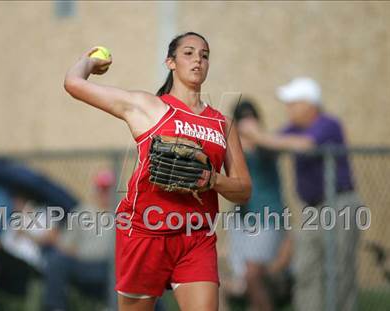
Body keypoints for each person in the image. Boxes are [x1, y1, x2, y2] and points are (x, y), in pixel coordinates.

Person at [64, 32, 252, 311]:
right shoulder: (149, 107)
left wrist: (213, 179)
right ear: (171, 62)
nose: (198, 60)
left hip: (195, 236)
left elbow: (244, 190)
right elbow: (73, 84)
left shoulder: (222, 124)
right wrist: (88, 62)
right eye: (188, 53)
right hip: (144, 232)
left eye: (204, 55)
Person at [240, 77, 360, 311]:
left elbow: (304, 145)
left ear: (309, 104)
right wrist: (244, 136)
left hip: (339, 205)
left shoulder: (328, 124)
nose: (289, 108)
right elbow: (271, 145)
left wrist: (258, 135)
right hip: (312, 209)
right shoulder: (292, 128)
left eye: (293, 103)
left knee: (338, 271)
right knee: (305, 269)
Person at [226, 99, 292, 311]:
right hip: (242, 218)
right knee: (246, 280)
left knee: (253, 274)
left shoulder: (266, 144)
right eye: (243, 121)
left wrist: (256, 136)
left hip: (267, 217)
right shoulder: (234, 148)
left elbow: (278, 146)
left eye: (251, 119)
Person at [42, 170, 116, 311]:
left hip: (109, 267)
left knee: (122, 267)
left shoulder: (123, 214)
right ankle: (55, 308)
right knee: (56, 260)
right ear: (96, 190)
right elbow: (66, 245)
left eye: (108, 190)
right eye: (102, 189)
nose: (105, 194)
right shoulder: (82, 212)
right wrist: (55, 239)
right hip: (83, 265)